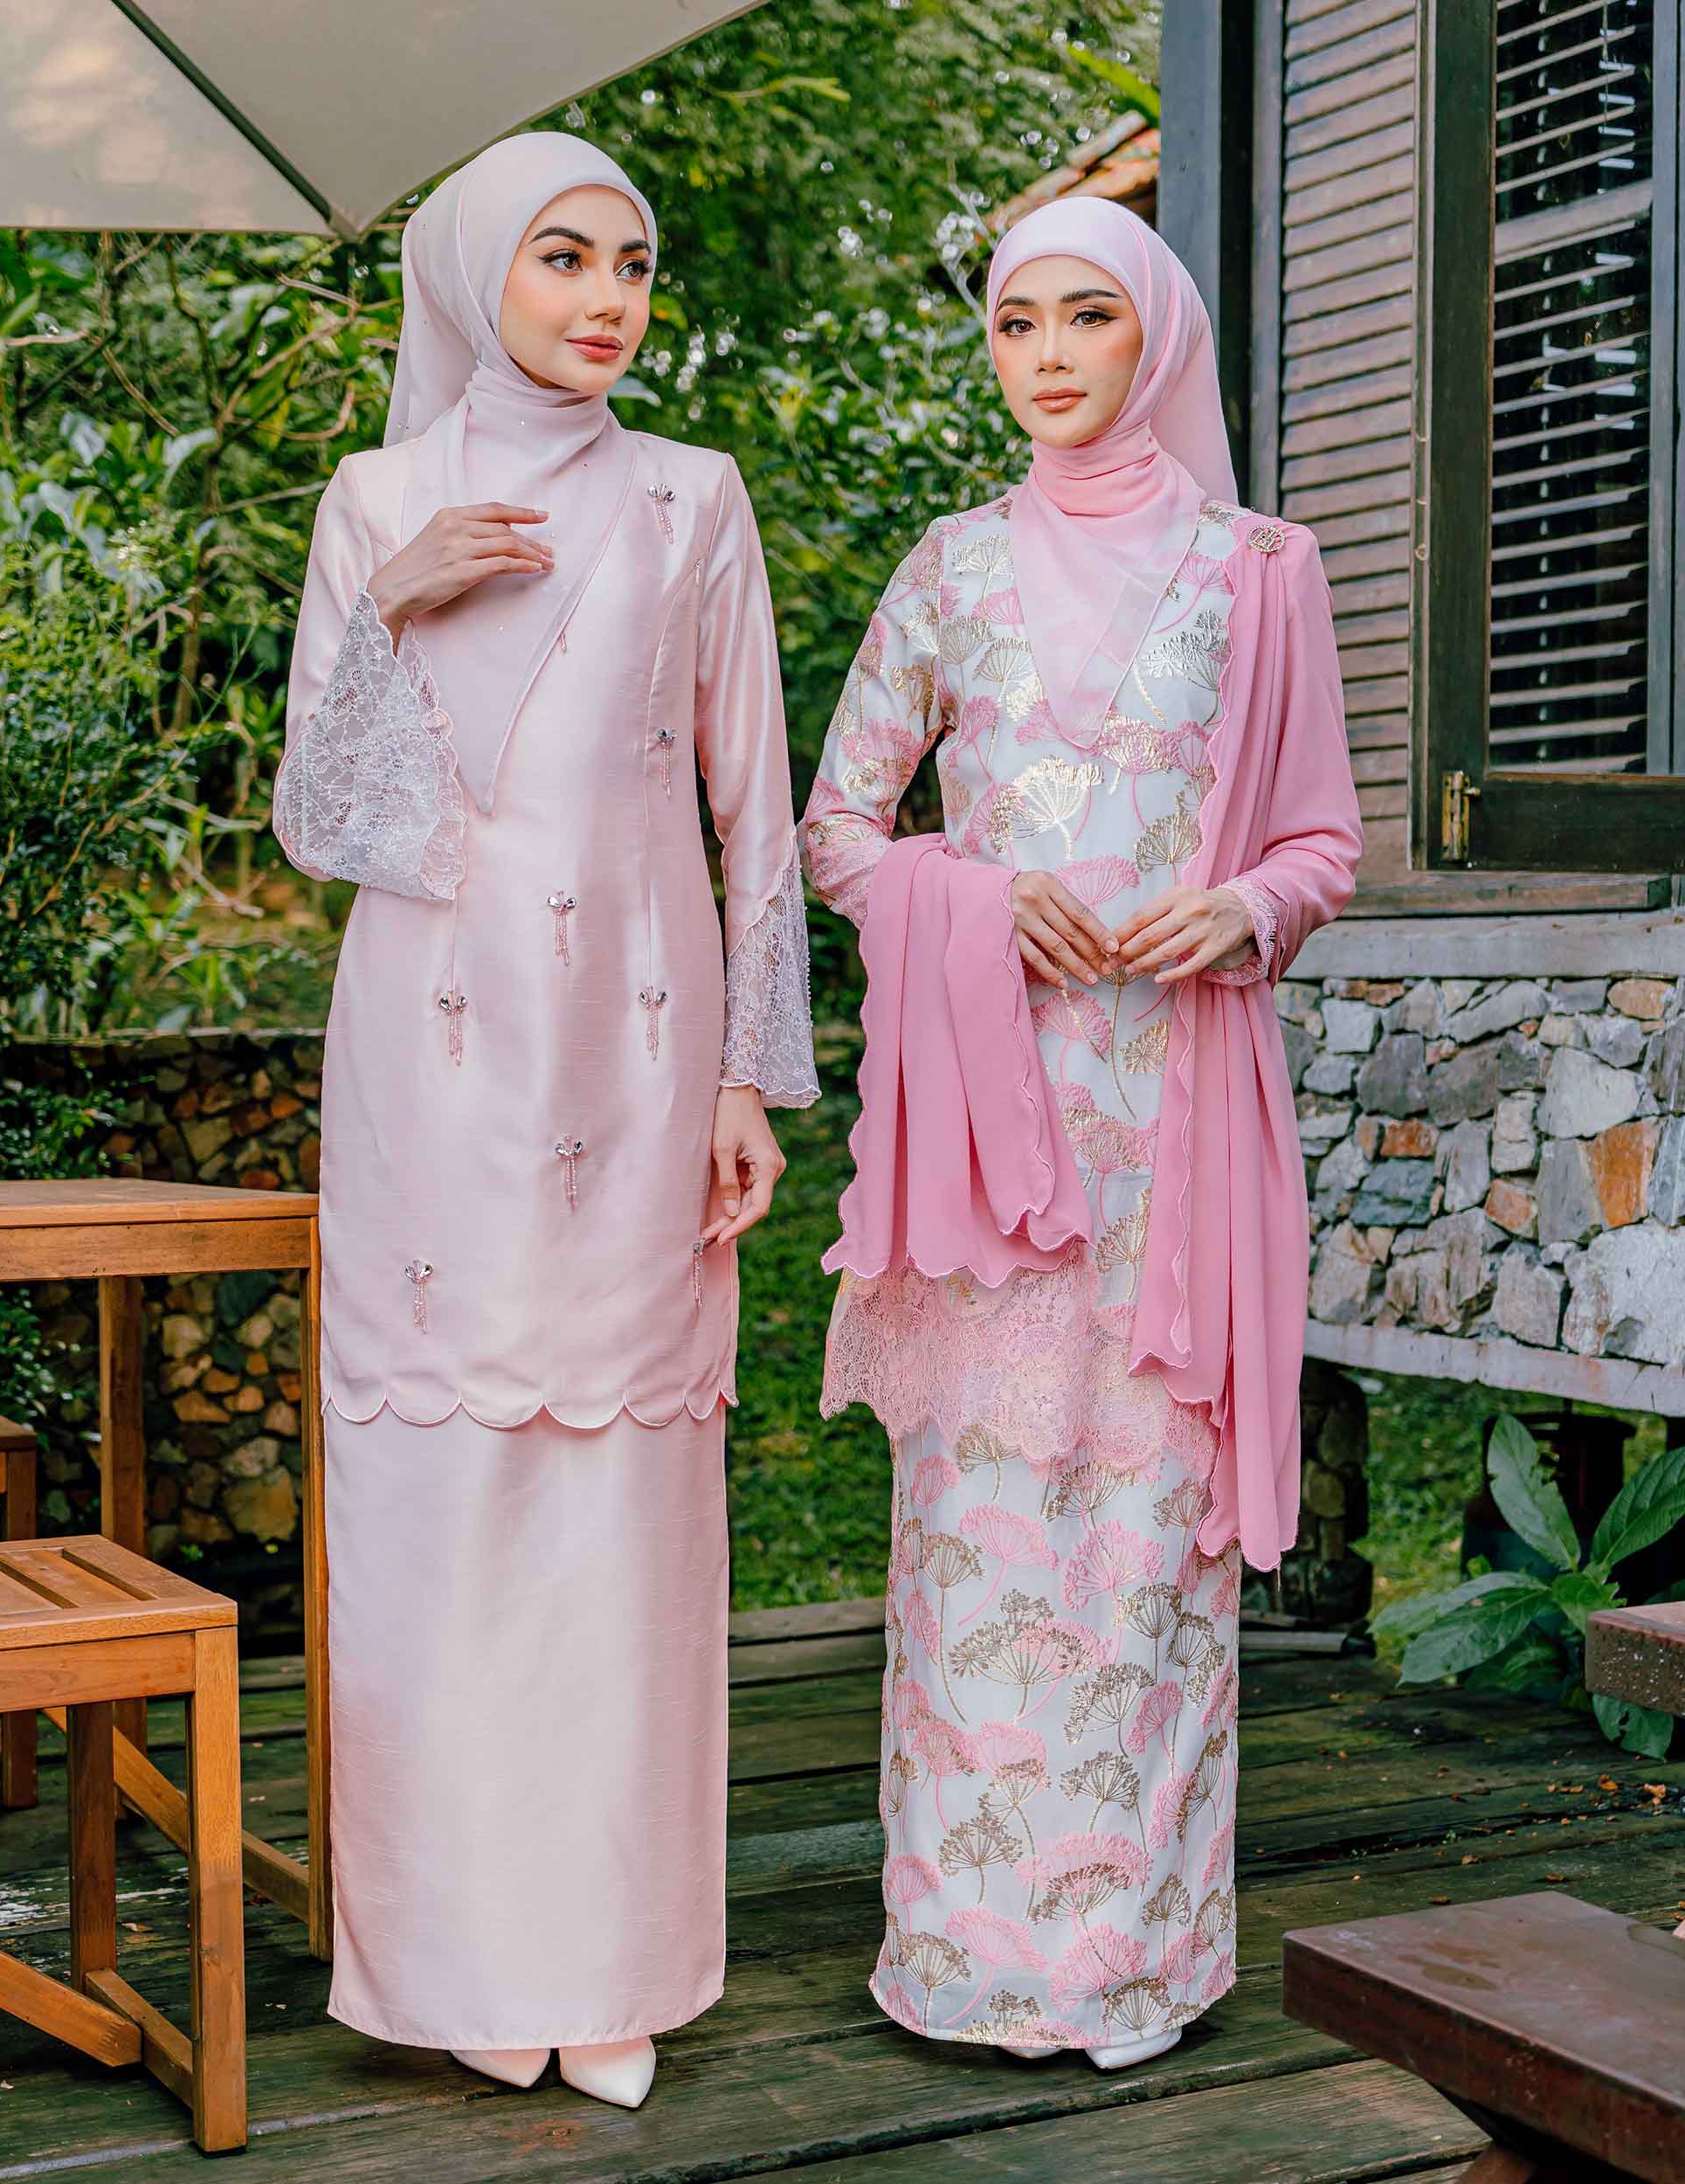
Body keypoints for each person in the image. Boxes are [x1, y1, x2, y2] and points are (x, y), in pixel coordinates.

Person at [274, 132, 817, 2111]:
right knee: (443, 1502)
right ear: (474, 274)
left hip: (641, 1060)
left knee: (618, 1513)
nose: (606, 297)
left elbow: (754, 805)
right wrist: (392, 605)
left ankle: (608, 1957)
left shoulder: (693, 496)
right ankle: (457, 1958)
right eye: (563, 257)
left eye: (632, 262)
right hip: (428, 1068)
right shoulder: (377, 500)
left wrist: (749, 1069)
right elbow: (327, 824)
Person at [798, 197, 1360, 2068]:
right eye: (1015, 320)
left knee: (1142, 1543)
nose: (1045, 353)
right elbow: (838, 828)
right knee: (976, 1532)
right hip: (992, 1135)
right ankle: (965, 1956)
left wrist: (1247, 909)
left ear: (1155, 340)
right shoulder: (949, 569)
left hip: (1175, 1133)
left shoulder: (1258, 571)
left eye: (1085, 316)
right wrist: (967, 894)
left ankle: (1131, 1957)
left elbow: (1323, 837)